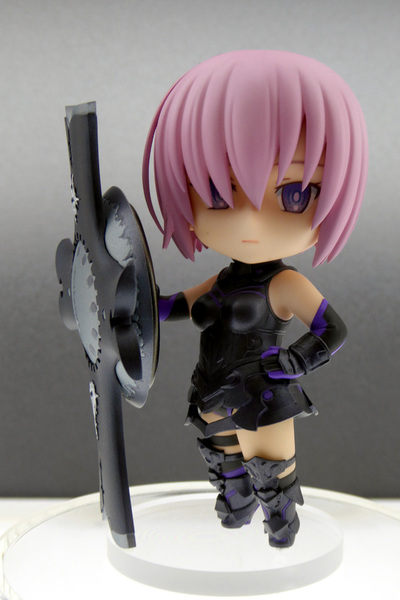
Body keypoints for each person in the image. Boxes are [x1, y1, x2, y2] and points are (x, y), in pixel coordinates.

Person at [142, 50, 368, 547]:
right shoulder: (222, 280)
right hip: (210, 388)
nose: (248, 220)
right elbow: (175, 306)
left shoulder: (284, 285)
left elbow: (333, 329)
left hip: (261, 394)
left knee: (272, 480)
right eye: (218, 193)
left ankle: (280, 537)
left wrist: (295, 361)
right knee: (226, 470)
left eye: (294, 194)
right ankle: (235, 514)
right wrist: (134, 306)